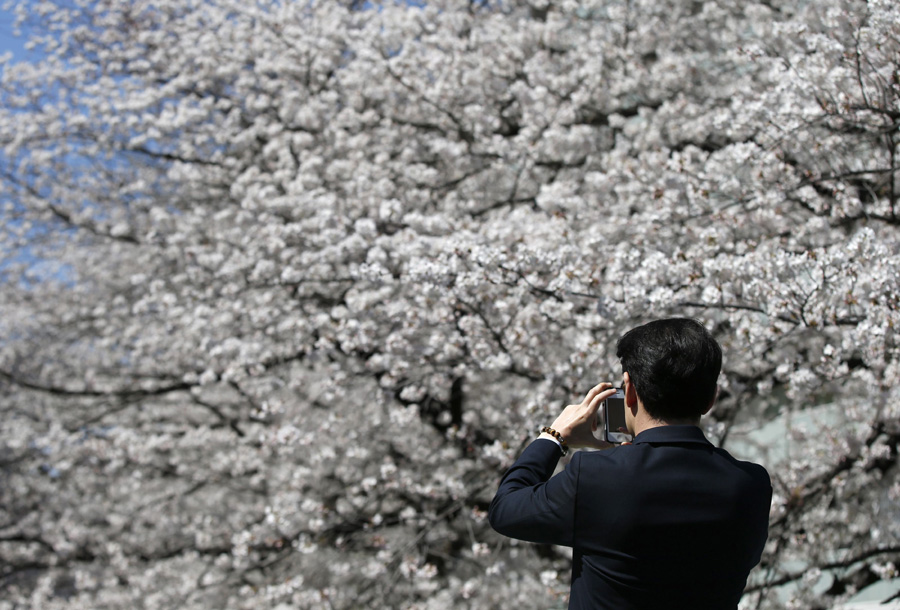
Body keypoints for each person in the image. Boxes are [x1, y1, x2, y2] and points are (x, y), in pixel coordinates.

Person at [488, 318, 772, 609]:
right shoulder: (752, 484)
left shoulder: (598, 476)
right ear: (711, 398)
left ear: (630, 390)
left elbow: (506, 510)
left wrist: (554, 437)